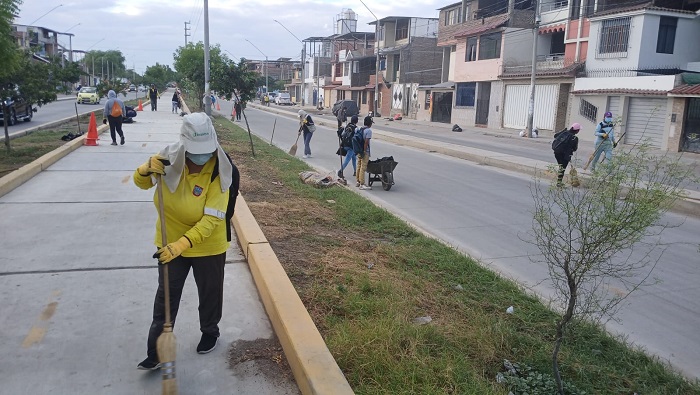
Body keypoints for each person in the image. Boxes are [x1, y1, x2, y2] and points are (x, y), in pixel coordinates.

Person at [133, 112, 240, 371]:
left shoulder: (222, 170)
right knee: (166, 298)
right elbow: (142, 184)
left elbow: (213, 219)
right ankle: (157, 351)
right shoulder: (167, 158)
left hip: (207, 243)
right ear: (184, 144)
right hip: (168, 241)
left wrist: (182, 245)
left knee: (210, 292)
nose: (201, 157)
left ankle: (209, 332)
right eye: (195, 151)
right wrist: (144, 170)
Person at [337, 115, 358, 179]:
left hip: (345, 145)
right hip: (351, 146)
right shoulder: (356, 128)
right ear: (356, 121)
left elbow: (343, 134)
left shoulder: (347, 126)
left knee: (354, 158)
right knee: (347, 159)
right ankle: (340, 171)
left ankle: (355, 171)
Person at [356, 116, 373, 190]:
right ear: (369, 123)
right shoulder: (368, 131)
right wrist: (365, 151)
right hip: (364, 151)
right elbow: (366, 142)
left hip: (359, 150)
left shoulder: (361, 129)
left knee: (359, 165)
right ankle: (362, 184)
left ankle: (358, 181)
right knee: (363, 167)